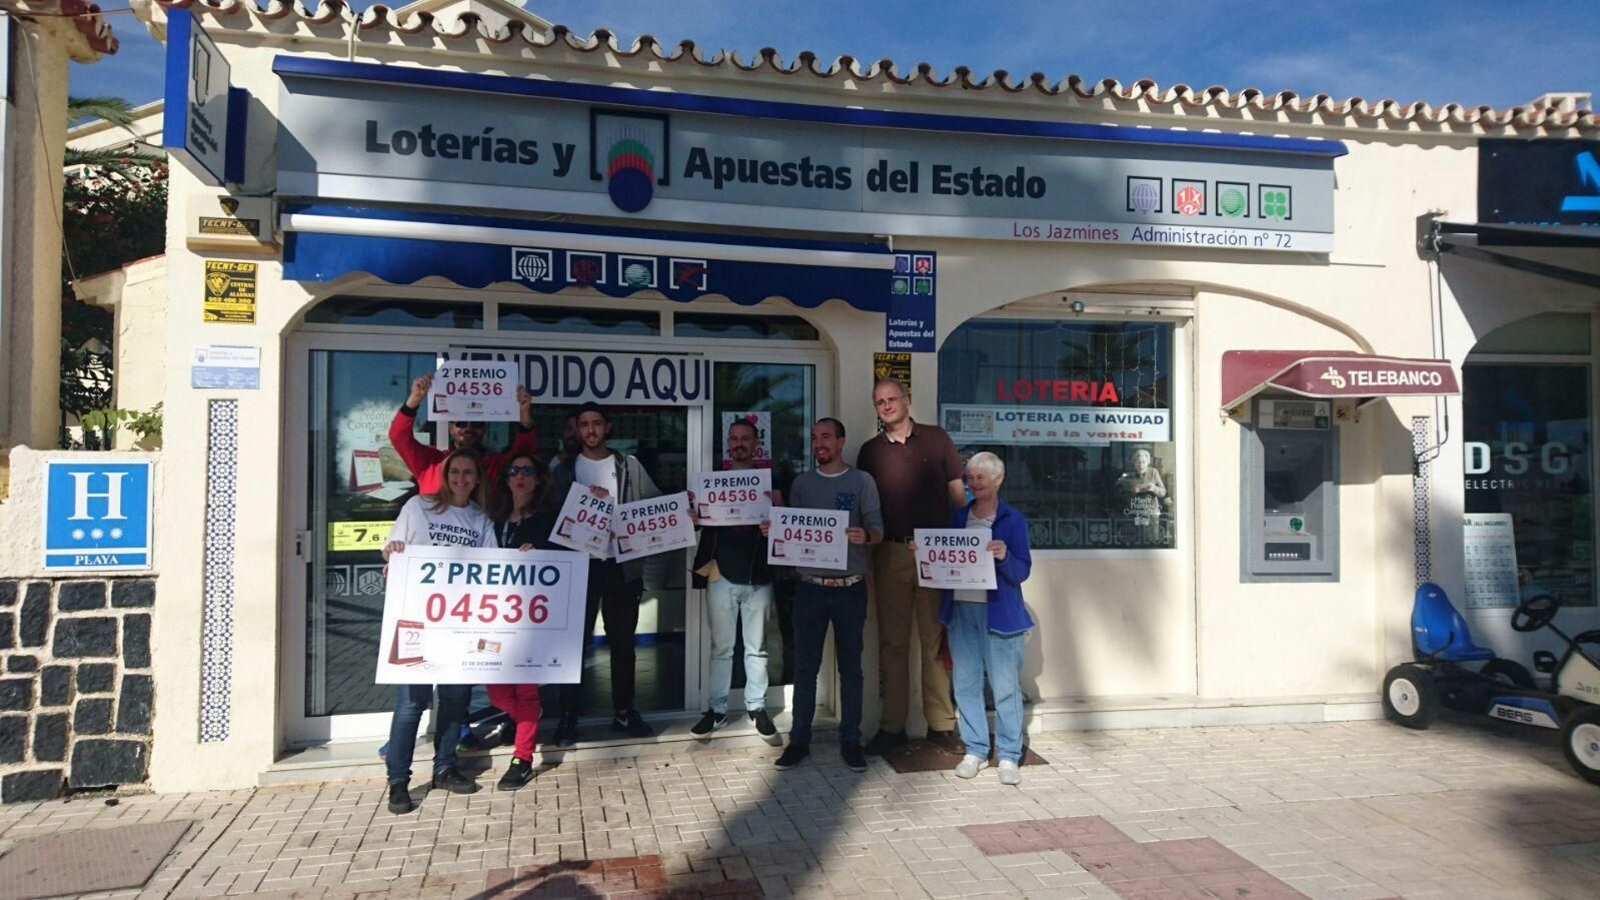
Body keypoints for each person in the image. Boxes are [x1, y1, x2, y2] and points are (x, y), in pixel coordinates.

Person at [379, 448, 498, 814]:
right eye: (454, 472)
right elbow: (390, 549)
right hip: (417, 618)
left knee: (454, 700)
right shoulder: (418, 507)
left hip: (460, 623)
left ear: (477, 479)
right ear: (445, 476)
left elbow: (494, 565)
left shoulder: (481, 518)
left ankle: (445, 768)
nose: (460, 478)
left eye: (468, 473)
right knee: (411, 704)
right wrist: (394, 551)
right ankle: (398, 781)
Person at [855, 377, 966, 755]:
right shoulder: (869, 452)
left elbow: (958, 498)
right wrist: (868, 560)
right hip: (889, 553)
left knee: (933, 641)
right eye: (878, 402)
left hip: (935, 554)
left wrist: (959, 547)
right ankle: (892, 728)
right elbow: (866, 510)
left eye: (891, 399)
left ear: (907, 400)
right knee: (892, 644)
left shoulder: (936, 439)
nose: (885, 406)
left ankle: (941, 725)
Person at [769, 418, 882, 772]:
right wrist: (775, 529)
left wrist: (867, 536)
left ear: (841, 442)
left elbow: (878, 529)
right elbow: (794, 534)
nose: (819, 443)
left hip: (850, 588)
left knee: (851, 670)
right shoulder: (802, 483)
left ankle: (851, 740)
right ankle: (798, 741)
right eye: (815, 438)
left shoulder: (862, 481)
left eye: (826, 437)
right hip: (810, 590)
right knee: (805, 669)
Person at [548, 402, 661, 744]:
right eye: (584, 424)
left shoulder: (629, 465)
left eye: (597, 423)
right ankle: (569, 715)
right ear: (577, 429)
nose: (591, 430)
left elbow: (652, 505)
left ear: (607, 427)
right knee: (574, 646)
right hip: (579, 567)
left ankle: (624, 712)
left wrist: (680, 508)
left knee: (623, 644)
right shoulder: (564, 469)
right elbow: (551, 516)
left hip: (620, 567)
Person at [940, 452, 1033, 786]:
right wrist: (926, 555)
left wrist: (1005, 556)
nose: (974, 483)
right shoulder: (958, 517)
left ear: (998, 479)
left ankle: (1009, 754)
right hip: (962, 610)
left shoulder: (1013, 520)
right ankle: (976, 749)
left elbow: (1022, 571)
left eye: (981, 477)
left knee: (1005, 687)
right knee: (964, 684)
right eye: (970, 477)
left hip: (999, 613)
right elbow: (944, 559)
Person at [688, 418, 781, 739]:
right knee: (721, 648)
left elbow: (790, 529)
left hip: (759, 576)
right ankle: (716, 710)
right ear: (728, 445)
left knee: (757, 648)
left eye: (745, 438)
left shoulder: (772, 485)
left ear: (757, 444)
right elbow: (698, 525)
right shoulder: (712, 485)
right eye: (734, 439)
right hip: (720, 575)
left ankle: (756, 707)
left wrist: (780, 513)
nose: (739, 443)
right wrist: (692, 516)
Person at [485, 452, 561, 791]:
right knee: (497, 692)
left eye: (528, 471)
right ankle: (527, 719)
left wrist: (542, 552)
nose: (520, 476)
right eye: (514, 470)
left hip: (531, 618)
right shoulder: (492, 517)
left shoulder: (549, 520)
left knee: (526, 690)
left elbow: (566, 560)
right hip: (492, 616)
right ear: (505, 478)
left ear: (538, 479)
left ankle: (523, 757)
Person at [389, 372, 539, 495]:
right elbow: (398, 437)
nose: (468, 428)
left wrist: (524, 416)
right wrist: (414, 399)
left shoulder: (495, 465)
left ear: (485, 428)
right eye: (460, 422)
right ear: (450, 427)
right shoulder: (431, 462)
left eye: (476, 423)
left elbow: (523, 455)